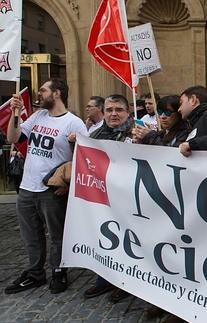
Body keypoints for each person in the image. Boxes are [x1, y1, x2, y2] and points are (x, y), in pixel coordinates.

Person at [4, 78, 88, 294]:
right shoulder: (38, 116)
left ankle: (59, 271)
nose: (39, 94)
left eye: (43, 90)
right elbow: (13, 137)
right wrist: (15, 114)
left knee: (56, 233)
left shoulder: (73, 122)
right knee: (30, 234)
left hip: (52, 188)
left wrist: (70, 185)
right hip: (27, 187)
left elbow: (85, 158)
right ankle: (35, 273)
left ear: (57, 93)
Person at [79, 94, 133, 300]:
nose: (113, 114)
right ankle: (104, 280)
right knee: (104, 241)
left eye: (118, 109)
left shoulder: (138, 132)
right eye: (109, 110)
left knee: (128, 244)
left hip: (129, 202)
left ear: (128, 112)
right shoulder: (96, 135)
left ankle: (127, 284)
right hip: (103, 199)